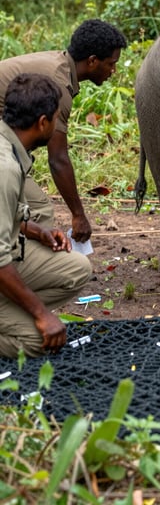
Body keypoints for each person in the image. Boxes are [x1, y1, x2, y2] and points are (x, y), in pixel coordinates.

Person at [0, 19, 127, 242]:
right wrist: (78, 215)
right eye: (111, 63)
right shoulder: (59, 84)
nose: (113, 70)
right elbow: (57, 159)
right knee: (38, 211)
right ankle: (23, 270)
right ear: (92, 61)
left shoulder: (60, 66)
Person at [0, 73, 91, 358]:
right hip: (3, 261)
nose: (56, 125)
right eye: (55, 118)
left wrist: (38, 231)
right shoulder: (5, 170)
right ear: (42, 122)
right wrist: (42, 315)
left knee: (77, 269)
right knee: (40, 342)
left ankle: (12, 311)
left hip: (10, 256)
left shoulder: (10, 146)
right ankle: (20, 319)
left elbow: (9, 216)